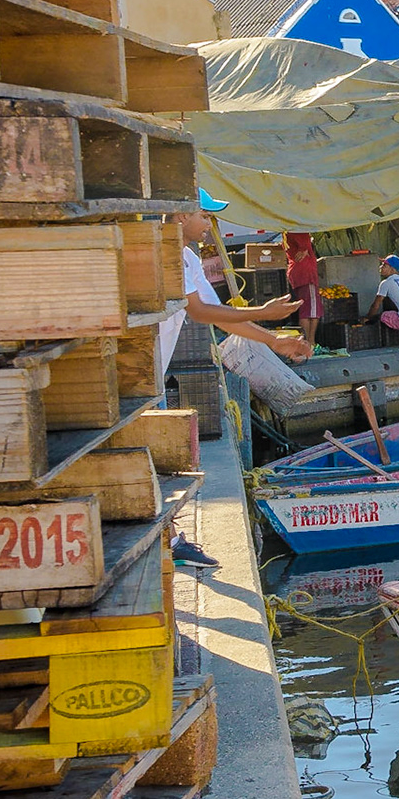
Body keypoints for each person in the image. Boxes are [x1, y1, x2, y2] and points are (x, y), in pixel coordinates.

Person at [163, 189, 312, 568]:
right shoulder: (164, 255)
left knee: (160, 455)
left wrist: (274, 341)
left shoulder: (189, 257)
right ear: (181, 217)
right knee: (159, 456)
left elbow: (212, 313)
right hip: (143, 370)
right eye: (203, 216)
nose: (208, 225)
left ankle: (170, 537)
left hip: (154, 368)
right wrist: (264, 314)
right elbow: (198, 310)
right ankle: (171, 539)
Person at [284, 232, 320, 347]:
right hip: (306, 274)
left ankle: (306, 342)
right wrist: (305, 249)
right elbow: (304, 246)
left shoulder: (286, 234)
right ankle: (310, 342)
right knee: (311, 310)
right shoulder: (299, 230)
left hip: (296, 273)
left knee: (304, 307)